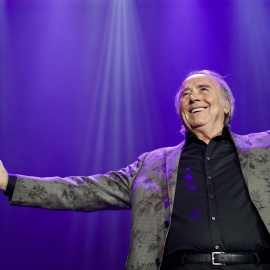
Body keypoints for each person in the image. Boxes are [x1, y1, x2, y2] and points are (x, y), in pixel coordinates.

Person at [0, 70, 270, 270]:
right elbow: (84, 191)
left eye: (203, 89)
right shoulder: (152, 165)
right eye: (185, 94)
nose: (192, 97)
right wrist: (8, 182)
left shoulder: (262, 149)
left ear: (226, 105)